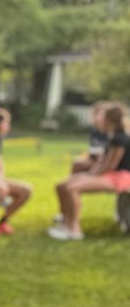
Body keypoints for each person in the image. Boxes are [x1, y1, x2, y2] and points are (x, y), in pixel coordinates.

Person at [49, 101, 130, 241]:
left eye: (102, 117)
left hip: (120, 177)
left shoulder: (120, 138)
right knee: (63, 185)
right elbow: (102, 162)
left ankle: (74, 230)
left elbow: (111, 165)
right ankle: (66, 222)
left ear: (109, 120)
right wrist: (89, 175)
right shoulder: (113, 136)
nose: (98, 120)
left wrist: (90, 177)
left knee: (72, 188)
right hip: (112, 175)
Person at [69, 102, 109, 175]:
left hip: (106, 162)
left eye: (97, 114)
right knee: (77, 163)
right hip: (95, 159)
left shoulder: (111, 133)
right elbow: (93, 150)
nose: (94, 117)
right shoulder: (95, 132)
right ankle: (74, 183)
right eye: (93, 114)